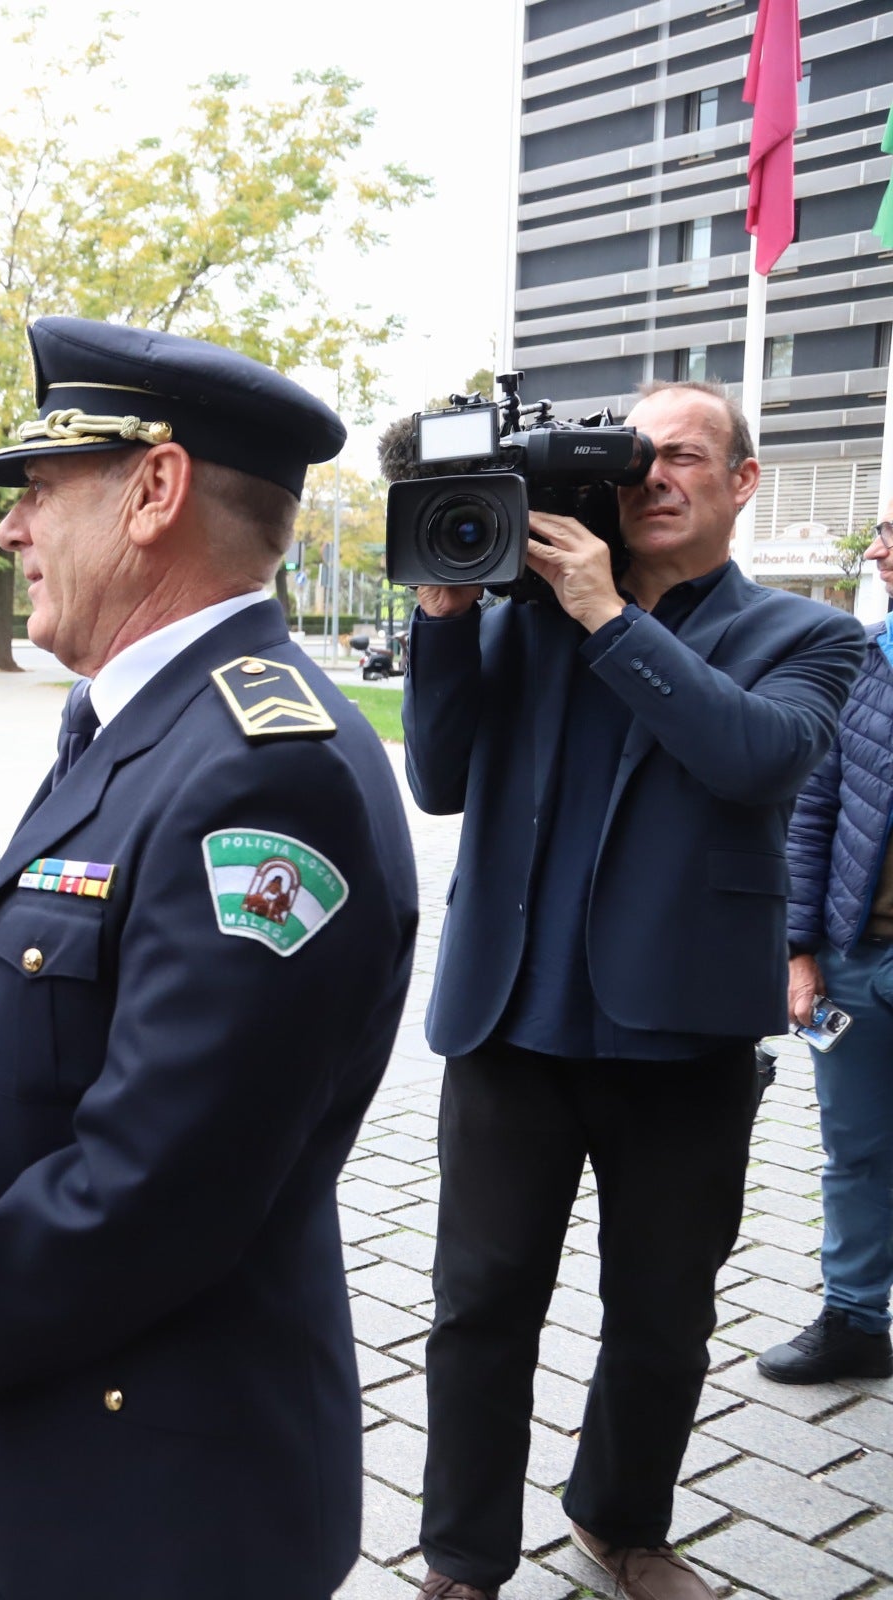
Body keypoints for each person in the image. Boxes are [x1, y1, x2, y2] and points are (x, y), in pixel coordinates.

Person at [0, 318, 418, 1598]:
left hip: (172, 1494)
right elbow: (27, 1037)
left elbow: (166, 1179)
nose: (12, 530)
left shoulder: (264, 774)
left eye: (40, 492)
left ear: (155, 491)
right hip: (87, 1444)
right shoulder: (147, 722)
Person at [401, 380, 865, 1600]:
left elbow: (753, 756)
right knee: (480, 1306)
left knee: (662, 1313)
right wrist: (448, 615)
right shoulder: (523, 615)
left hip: (687, 1040)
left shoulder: (806, 635)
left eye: (687, 457)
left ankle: (621, 1524)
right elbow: (438, 781)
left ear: (742, 482)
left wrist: (609, 614)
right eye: (636, 457)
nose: (655, 476)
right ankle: (462, 1559)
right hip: (511, 1024)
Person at [775, 508, 893, 1385]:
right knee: (856, 1152)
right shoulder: (867, 658)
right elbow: (814, 812)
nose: (877, 550)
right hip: (860, 960)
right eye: (878, 531)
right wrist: (801, 950)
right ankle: (855, 1320)